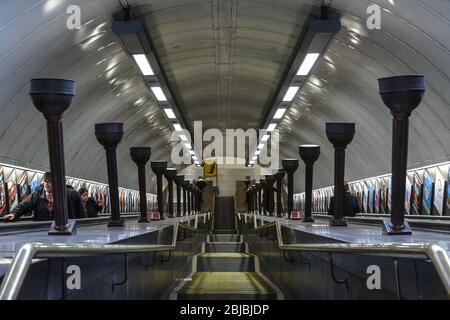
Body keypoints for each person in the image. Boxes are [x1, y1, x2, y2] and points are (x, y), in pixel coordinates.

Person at [3, 172, 86, 221]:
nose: (46, 184)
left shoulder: (71, 194)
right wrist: (15, 213)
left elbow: (82, 213)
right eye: (45, 181)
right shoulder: (37, 194)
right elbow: (25, 205)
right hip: (43, 230)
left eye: (49, 181)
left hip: (65, 230)